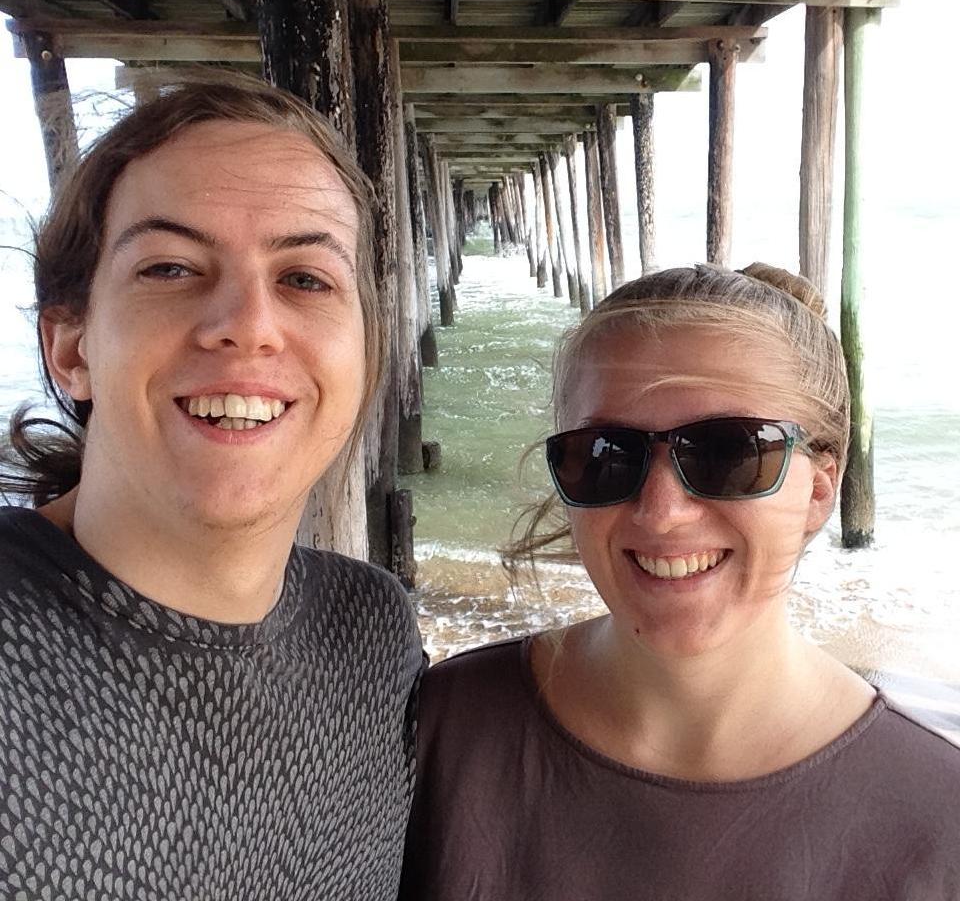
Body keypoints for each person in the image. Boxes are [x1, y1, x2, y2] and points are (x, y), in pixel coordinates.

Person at [400, 264, 960, 900]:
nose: (661, 511)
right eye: (605, 455)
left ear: (820, 491)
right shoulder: (438, 733)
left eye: (731, 452)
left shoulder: (939, 817)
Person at [0, 77, 422, 898]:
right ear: (70, 348)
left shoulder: (374, 633)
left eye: (306, 279)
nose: (248, 322)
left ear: (365, 349)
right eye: (170, 266)